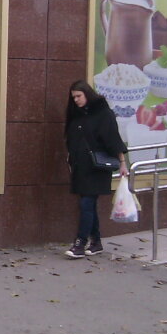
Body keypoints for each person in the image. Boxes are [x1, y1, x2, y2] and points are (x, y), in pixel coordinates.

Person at [63, 80, 128, 258]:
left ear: (87, 94)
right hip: (80, 166)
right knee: (88, 205)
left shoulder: (103, 113)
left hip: (97, 167)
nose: (76, 100)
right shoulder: (77, 115)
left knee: (86, 203)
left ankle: (80, 243)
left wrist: (122, 162)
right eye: (73, 97)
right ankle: (96, 242)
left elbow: (113, 139)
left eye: (79, 96)